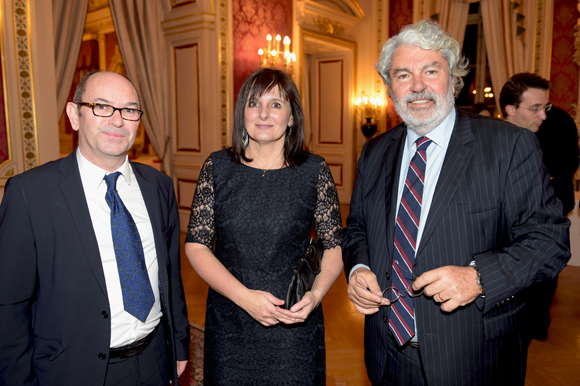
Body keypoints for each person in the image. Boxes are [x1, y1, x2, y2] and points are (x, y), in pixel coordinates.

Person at [342, 20, 570, 386]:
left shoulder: (508, 146)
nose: (417, 85)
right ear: (389, 89)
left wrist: (479, 278)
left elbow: (550, 240)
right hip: (387, 354)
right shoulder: (374, 152)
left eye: (430, 71)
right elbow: (357, 229)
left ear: (453, 79)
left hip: (474, 357)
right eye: (403, 74)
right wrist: (358, 270)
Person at [0, 70, 190, 385]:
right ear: (74, 115)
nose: (118, 120)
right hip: (75, 369)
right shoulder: (29, 195)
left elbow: (169, 275)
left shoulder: (159, 186)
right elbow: (9, 307)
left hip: (155, 358)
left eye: (129, 110)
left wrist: (179, 342)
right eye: (102, 106)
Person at [185, 67, 343, 385]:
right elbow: (196, 245)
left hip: (294, 326)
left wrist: (315, 295)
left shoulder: (314, 171)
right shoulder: (217, 167)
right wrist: (244, 298)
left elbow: (333, 247)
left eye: (276, 104)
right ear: (242, 112)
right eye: (254, 103)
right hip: (231, 322)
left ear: (292, 116)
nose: (263, 114)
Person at [500, 72, 579, 341]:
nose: (544, 115)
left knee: (543, 276)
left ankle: (536, 324)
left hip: (548, 214)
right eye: (535, 108)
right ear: (510, 109)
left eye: (545, 107)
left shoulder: (559, 123)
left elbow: (568, 166)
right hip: (505, 235)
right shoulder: (490, 139)